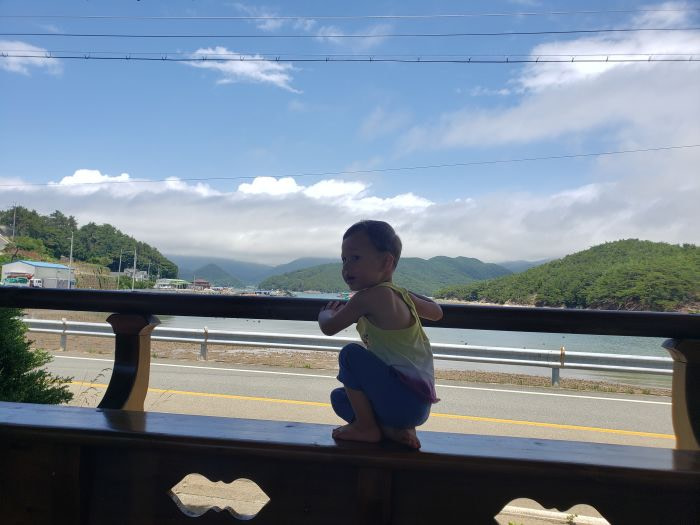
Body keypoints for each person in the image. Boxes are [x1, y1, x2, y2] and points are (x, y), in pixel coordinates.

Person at [318, 220, 443, 449]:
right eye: (344, 259)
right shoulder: (400, 295)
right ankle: (393, 431)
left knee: (350, 354)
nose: (346, 267)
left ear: (386, 261)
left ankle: (366, 428)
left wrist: (325, 313)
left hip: (402, 400)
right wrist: (402, 289)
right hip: (418, 406)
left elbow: (330, 327)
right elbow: (437, 312)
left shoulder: (368, 298)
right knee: (340, 398)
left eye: (355, 258)